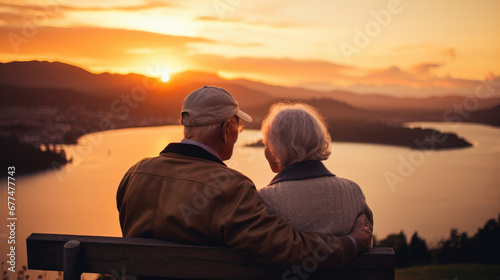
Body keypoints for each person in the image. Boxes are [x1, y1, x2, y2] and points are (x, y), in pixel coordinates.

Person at [116, 86, 373, 271]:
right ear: (226, 129)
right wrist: (350, 242)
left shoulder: (134, 175)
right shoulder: (231, 188)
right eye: (237, 126)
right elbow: (289, 250)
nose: (237, 134)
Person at [258, 102, 374, 237]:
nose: (265, 150)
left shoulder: (265, 200)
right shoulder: (354, 192)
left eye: (266, 144)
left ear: (275, 149)